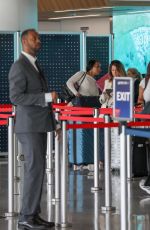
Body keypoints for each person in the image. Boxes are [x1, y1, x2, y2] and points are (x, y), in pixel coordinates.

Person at [8, 29, 59, 230]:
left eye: (38, 38)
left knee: (37, 170)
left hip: (39, 125)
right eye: (34, 38)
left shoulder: (34, 64)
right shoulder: (19, 66)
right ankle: (26, 217)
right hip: (28, 126)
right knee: (33, 170)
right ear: (24, 41)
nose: (38, 41)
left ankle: (33, 214)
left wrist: (53, 124)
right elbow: (15, 97)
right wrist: (45, 98)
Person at [66, 60, 104, 169]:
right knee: (74, 133)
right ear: (91, 67)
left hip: (87, 112)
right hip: (77, 108)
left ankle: (85, 158)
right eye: (97, 67)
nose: (99, 69)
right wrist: (76, 93)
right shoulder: (81, 74)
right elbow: (69, 82)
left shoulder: (95, 81)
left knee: (85, 134)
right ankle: (73, 159)